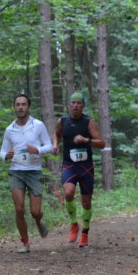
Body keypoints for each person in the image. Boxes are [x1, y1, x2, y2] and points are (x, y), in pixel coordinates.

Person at [0, 93, 53, 254]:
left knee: (35, 212)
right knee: (19, 208)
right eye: (18, 105)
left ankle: (38, 221)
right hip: (16, 171)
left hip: (34, 171)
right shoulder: (10, 129)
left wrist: (38, 150)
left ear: (28, 106)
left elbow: (49, 145)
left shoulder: (38, 125)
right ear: (14, 107)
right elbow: (2, 151)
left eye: (23, 104)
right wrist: (6, 156)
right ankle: (25, 243)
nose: (20, 107)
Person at [52, 92, 104, 248]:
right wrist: (55, 145)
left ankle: (85, 233)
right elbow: (57, 134)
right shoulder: (62, 121)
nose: (75, 105)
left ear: (83, 106)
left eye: (79, 103)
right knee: (68, 192)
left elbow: (101, 143)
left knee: (86, 203)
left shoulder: (89, 122)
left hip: (86, 166)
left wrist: (86, 140)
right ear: (69, 105)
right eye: (73, 103)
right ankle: (74, 223)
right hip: (69, 164)